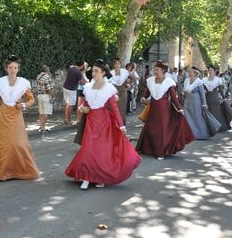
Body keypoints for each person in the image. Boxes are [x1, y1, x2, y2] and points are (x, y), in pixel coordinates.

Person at [65, 59, 141, 190]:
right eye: (93, 71)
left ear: (103, 73)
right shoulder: (88, 87)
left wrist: (121, 126)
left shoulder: (109, 88)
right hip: (90, 122)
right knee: (88, 149)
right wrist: (81, 108)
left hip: (104, 124)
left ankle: (101, 177)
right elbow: (86, 104)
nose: (93, 73)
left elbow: (115, 108)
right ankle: (86, 177)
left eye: (96, 71)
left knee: (101, 152)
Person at [135, 60, 195, 160]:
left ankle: (160, 152)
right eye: (154, 69)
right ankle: (147, 149)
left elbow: (174, 98)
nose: (154, 71)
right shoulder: (150, 81)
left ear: (163, 70)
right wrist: (143, 98)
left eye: (156, 69)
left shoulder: (169, 82)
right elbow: (146, 94)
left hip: (164, 110)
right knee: (150, 128)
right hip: (153, 109)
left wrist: (180, 109)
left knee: (162, 130)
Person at [183, 67, 221, 140]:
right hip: (187, 102)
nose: (189, 73)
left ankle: (201, 134)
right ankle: (190, 134)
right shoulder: (186, 81)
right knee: (188, 118)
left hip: (196, 103)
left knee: (197, 118)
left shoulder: (199, 82)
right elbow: (185, 91)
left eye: (191, 72)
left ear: (195, 73)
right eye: (189, 72)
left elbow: (202, 94)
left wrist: (204, 104)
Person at [203, 65, 232, 131]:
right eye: (209, 70)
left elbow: (221, 89)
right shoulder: (204, 80)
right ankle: (209, 127)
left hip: (215, 98)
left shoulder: (217, 80)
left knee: (216, 113)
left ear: (214, 71)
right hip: (207, 98)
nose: (210, 71)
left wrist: (223, 98)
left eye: (211, 70)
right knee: (208, 112)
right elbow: (203, 89)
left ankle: (217, 127)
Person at [109, 58, 130, 124]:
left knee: (122, 107)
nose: (117, 65)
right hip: (114, 91)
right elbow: (108, 82)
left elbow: (130, 79)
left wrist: (128, 83)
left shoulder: (125, 71)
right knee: (115, 107)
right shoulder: (110, 73)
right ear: (114, 65)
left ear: (120, 64)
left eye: (118, 63)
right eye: (116, 64)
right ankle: (115, 123)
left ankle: (122, 123)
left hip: (123, 90)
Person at [36, 64, 54, 132]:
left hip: (39, 95)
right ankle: (43, 127)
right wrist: (53, 96)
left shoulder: (39, 76)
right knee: (46, 112)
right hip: (46, 96)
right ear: (48, 70)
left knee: (41, 112)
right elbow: (49, 89)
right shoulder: (47, 77)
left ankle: (41, 125)